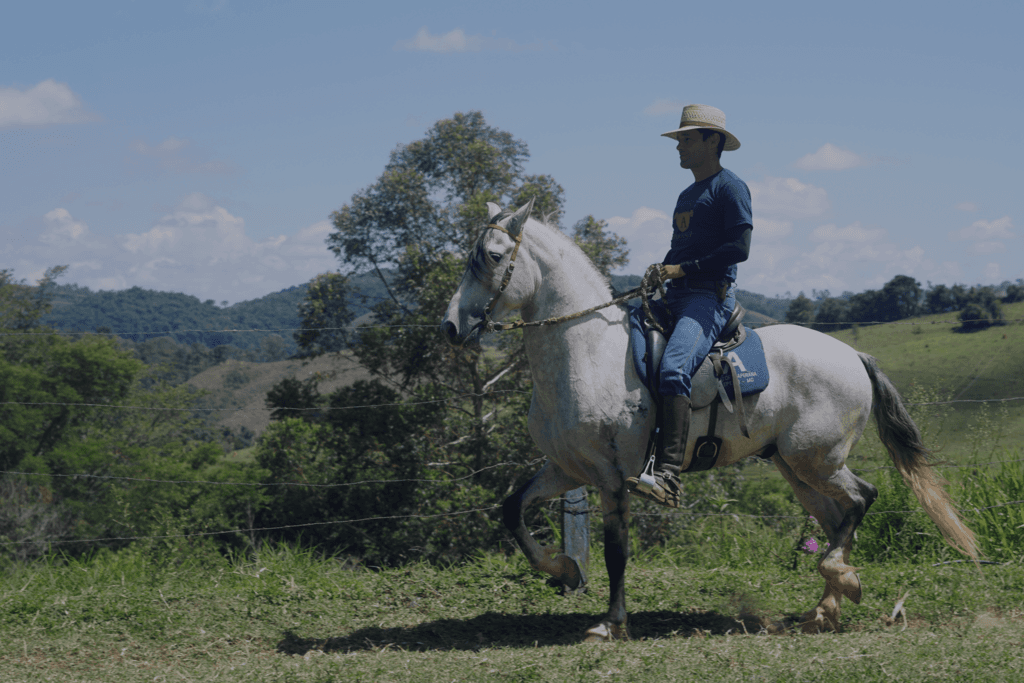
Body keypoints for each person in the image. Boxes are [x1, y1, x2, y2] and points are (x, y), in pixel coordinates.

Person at [626, 104, 753, 507]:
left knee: (674, 368)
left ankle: (667, 476)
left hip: (707, 297)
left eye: (687, 138)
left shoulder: (730, 187)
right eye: (679, 139)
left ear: (712, 141)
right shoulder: (687, 194)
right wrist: (662, 270)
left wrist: (682, 269)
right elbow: (680, 248)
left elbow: (739, 248)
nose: (678, 146)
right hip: (676, 293)